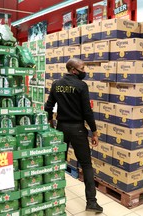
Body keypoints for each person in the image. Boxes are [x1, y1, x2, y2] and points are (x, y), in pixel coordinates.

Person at [45, 58, 103, 213]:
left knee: (58, 163)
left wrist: (51, 124)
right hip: (77, 129)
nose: (85, 71)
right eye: (82, 68)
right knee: (86, 165)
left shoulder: (56, 84)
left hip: (61, 128)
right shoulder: (81, 86)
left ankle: (57, 199)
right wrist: (94, 132)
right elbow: (87, 112)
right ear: (73, 70)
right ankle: (91, 202)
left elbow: (48, 106)